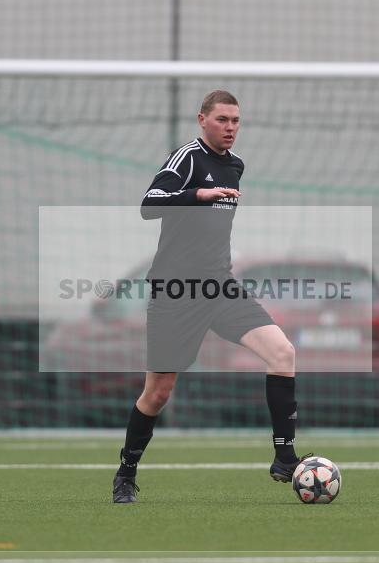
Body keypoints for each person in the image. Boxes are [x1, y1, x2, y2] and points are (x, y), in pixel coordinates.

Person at [112, 90, 305, 503]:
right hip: (176, 292)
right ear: (202, 120)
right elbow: (149, 204)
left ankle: (285, 458)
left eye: (236, 120)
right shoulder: (187, 158)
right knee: (158, 393)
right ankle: (126, 472)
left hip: (220, 287)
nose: (230, 127)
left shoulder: (235, 166)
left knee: (283, 353)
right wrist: (197, 195)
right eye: (222, 120)